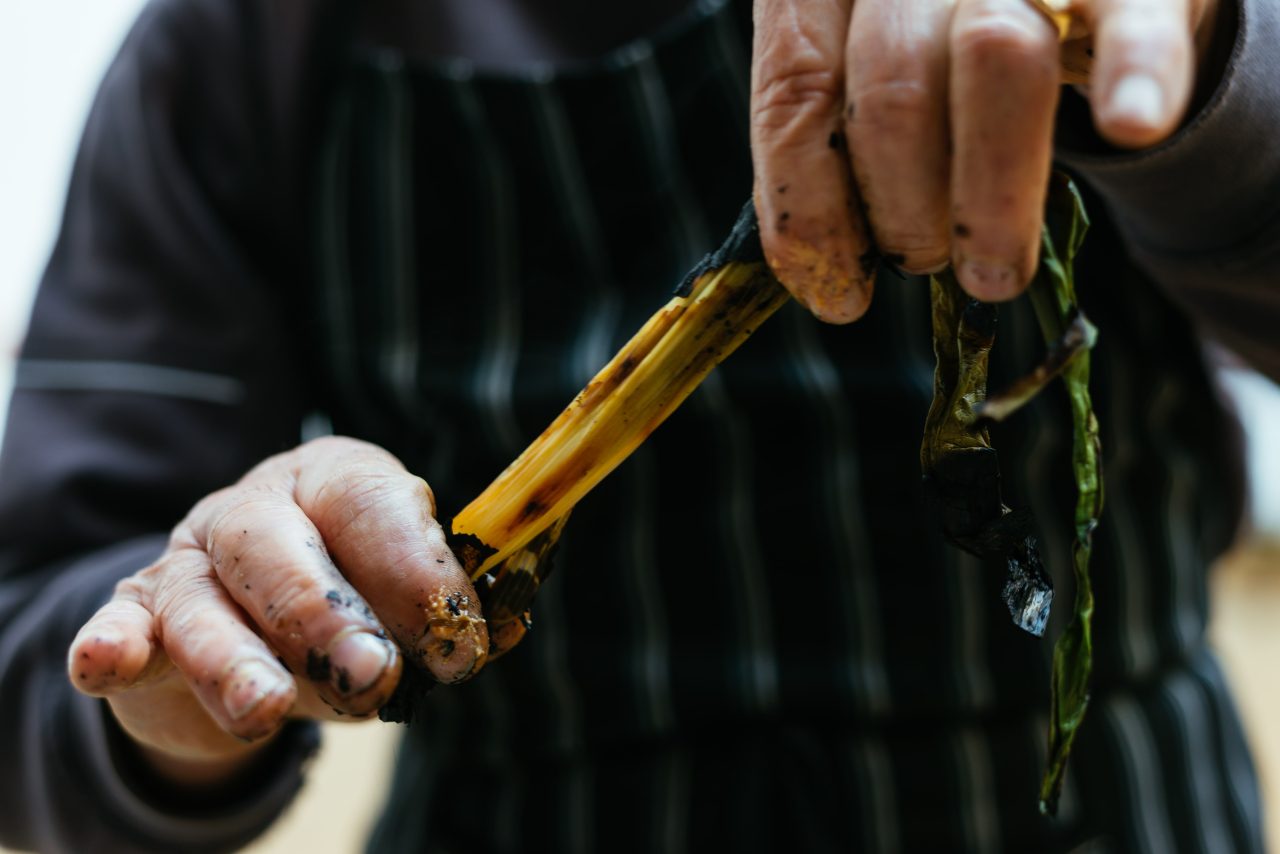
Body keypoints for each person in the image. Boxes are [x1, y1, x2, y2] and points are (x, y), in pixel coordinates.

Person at [0, 0, 1276, 850]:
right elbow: (42, 626)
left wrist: (1210, 76)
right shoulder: (236, 40)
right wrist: (182, 657)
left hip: (1112, 810)